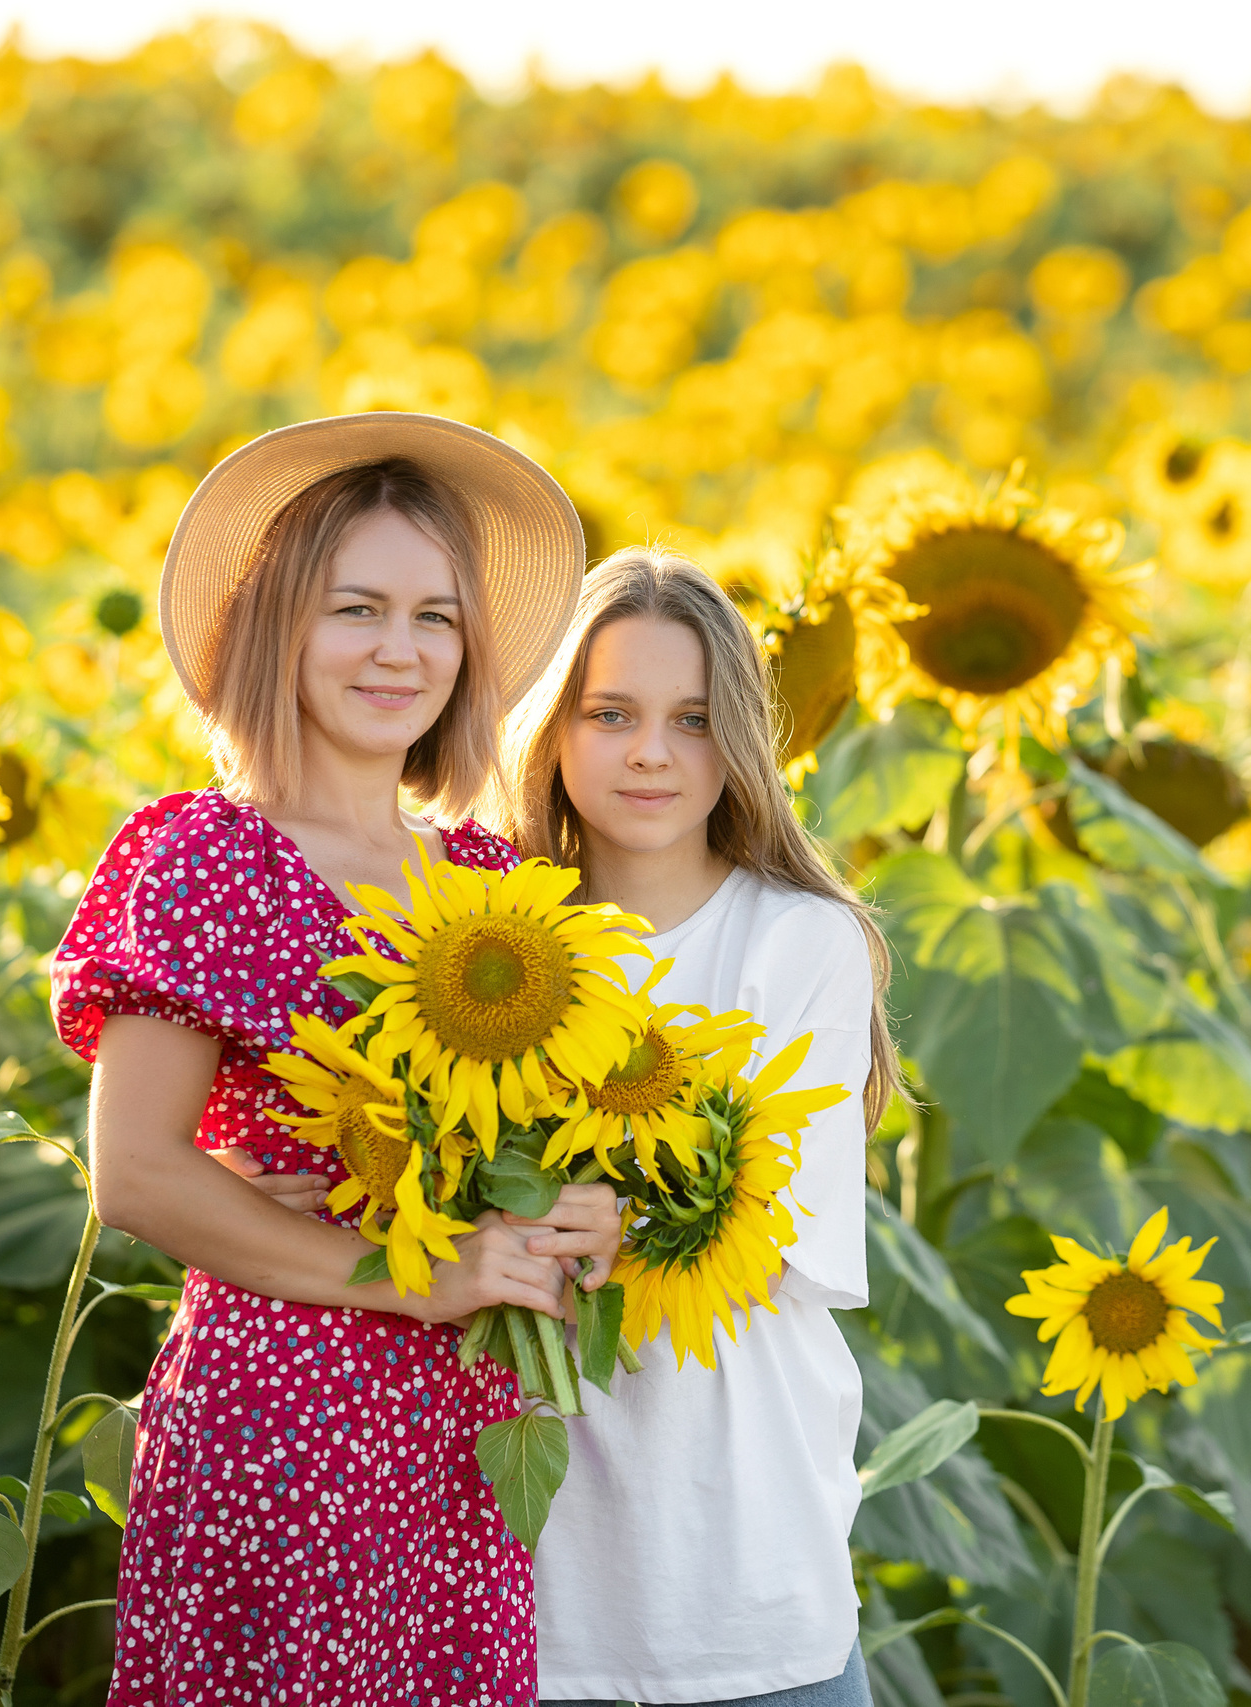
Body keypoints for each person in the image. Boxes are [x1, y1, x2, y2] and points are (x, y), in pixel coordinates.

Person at [233, 546, 897, 1702]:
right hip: (523, 1579)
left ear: (741, 740)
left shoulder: (799, 942)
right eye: (611, 714)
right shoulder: (481, 934)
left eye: (693, 719)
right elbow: (385, 1117)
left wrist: (621, 1221)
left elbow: (776, 1234)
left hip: (736, 1558)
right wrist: (325, 1166)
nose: (651, 752)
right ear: (554, 731)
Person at [52, 414, 624, 1707]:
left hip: (466, 1435)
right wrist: (414, 1280)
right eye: (354, 607)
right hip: (288, 1414)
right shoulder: (205, 852)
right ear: (277, 626)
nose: (399, 650)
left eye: (435, 616)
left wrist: (587, 1208)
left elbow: (536, 1140)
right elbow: (135, 1170)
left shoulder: (498, 878)